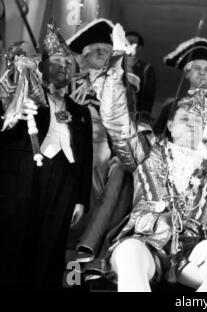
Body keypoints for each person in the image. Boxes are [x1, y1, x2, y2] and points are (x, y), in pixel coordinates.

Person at [96, 24, 207, 292]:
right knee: (129, 252)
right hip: (146, 243)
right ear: (168, 125)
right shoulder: (147, 152)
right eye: (184, 117)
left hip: (194, 252)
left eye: (198, 119)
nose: (192, 122)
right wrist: (117, 64)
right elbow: (116, 121)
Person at [0, 22, 93, 289]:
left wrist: (81, 199)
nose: (64, 66)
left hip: (64, 180)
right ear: (41, 65)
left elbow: (85, 159)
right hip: (23, 176)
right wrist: (15, 98)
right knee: (16, 237)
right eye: (56, 60)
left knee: (51, 243)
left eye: (68, 62)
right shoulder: (23, 94)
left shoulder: (80, 111)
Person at [66, 18, 134, 264]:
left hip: (105, 154)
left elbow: (128, 125)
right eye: (95, 50)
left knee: (97, 204)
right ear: (83, 57)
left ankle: (82, 257)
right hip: (71, 150)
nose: (100, 54)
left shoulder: (123, 86)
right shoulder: (70, 83)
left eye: (106, 51)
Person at [153, 37, 207, 137]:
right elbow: (157, 141)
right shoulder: (170, 107)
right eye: (197, 68)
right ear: (187, 73)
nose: (202, 72)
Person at [126, 30, 157, 125]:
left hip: (131, 116)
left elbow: (148, 96)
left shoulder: (145, 68)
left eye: (131, 43)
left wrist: (143, 118)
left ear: (139, 48)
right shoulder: (110, 64)